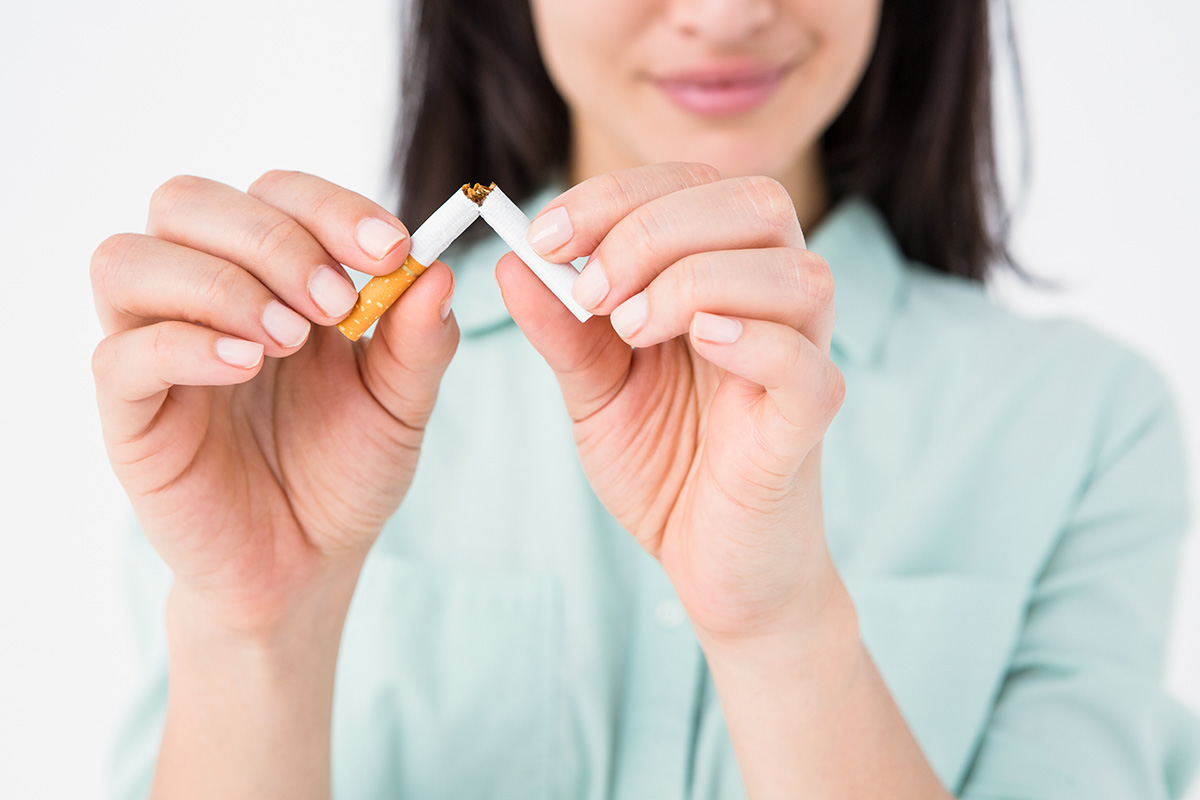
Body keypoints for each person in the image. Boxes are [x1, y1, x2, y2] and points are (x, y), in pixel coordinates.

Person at [92, 0, 1199, 798]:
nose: (725, 14)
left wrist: (785, 628)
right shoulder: (271, 392)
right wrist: (260, 629)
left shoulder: (1083, 417)